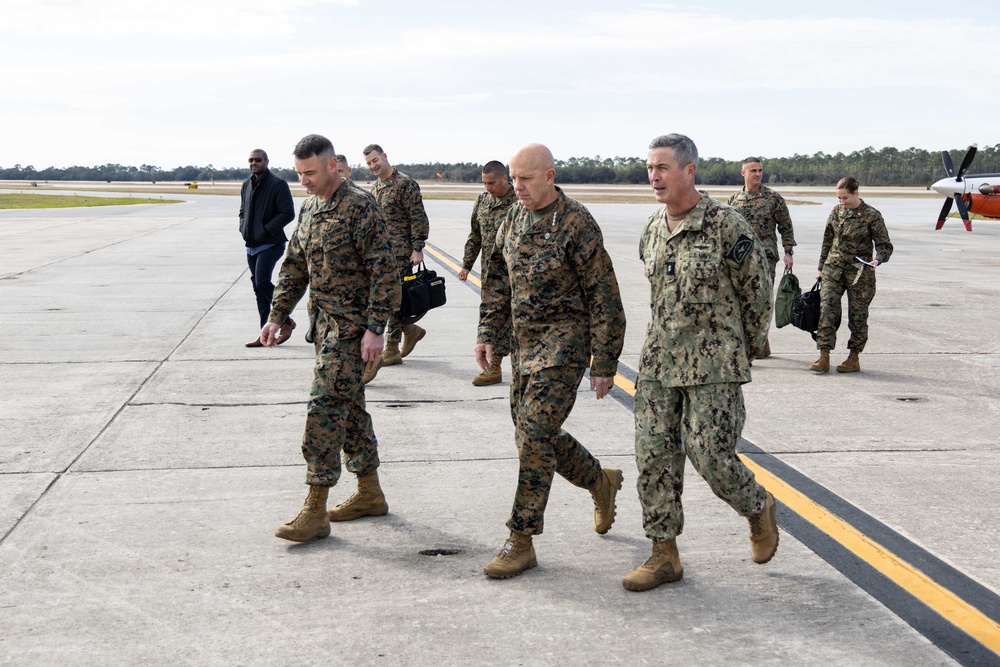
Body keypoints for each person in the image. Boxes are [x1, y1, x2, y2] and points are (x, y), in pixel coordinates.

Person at [623, 134, 778, 592]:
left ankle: (757, 507)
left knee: (710, 456)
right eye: (650, 168)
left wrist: (740, 350)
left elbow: (757, 294)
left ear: (689, 171)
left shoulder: (726, 225)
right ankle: (663, 554)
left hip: (714, 365)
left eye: (663, 168)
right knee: (653, 458)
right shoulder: (652, 228)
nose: (654, 176)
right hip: (658, 363)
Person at [476, 143, 627, 579]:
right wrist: (488, 335)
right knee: (532, 438)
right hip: (524, 347)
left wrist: (605, 361)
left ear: (549, 175)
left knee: (536, 432)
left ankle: (520, 539)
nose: (517, 186)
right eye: (514, 178)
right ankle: (601, 481)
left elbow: (604, 295)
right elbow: (497, 282)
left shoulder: (576, 223)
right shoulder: (512, 219)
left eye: (525, 178)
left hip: (565, 346)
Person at [261, 134, 400, 542]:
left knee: (323, 408)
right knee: (350, 410)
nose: (303, 180)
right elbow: (295, 265)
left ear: (332, 167)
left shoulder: (360, 207)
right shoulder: (309, 207)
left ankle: (315, 507)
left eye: (310, 172)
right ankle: (370, 493)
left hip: (353, 332)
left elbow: (385, 273)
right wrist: (277, 314)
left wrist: (376, 329)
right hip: (323, 329)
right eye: (298, 173)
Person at [809, 177, 893, 374]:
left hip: (859, 272)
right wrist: (821, 267)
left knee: (858, 315)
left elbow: (884, 245)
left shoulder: (872, 215)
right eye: (839, 198)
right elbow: (827, 241)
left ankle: (854, 357)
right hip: (833, 268)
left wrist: (878, 260)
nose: (841, 202)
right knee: (826, 309)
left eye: (845, 198)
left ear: (856, 193)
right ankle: (824, 356)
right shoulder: (836, 212)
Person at [364, 144, 430, 368]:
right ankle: (410, 330)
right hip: (381, 255)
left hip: (402, 253)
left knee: (394, 300)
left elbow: (418, 217)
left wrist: (417, 247)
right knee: (388, 299)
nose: (373, 166)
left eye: (375, 160)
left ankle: (391, 348)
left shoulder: (405, 184)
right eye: (369, 163)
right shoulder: (376, 188)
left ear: (384, 157)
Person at [727, 156, 796, 358]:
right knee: (740, 299)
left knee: (761, 300)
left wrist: (788, 251)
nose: (757, 174)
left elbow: (786, 226)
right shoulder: (733, 200)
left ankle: (759, 342)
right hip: (740, 257)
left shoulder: (773, 198)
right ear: (743, 173)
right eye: (753, 171)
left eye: (760, 170)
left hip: (765, 256)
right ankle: (756, 343)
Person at [459, 161, 518, 386]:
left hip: (516, 273)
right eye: (484, 183)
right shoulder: (482, 201)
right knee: (493, 317)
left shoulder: (519, 202)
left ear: (505, 178)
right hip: (491, 274)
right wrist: (466, 264)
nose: (487, 187)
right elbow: (475, 235)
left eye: (491, 182)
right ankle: (494, 366)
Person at [239, 149, 296, 347]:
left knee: (262, 282)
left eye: (258, 160)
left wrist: (264, 231)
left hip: (271, 243)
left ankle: (286, 319)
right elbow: (242, 211)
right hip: (251, 245)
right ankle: (265, 332)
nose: (254, 163)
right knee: (258, 287)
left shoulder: (277, 184)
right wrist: (244, 228)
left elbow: (288, 213)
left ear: (266, 161)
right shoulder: (246, 184)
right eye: (251, 160)